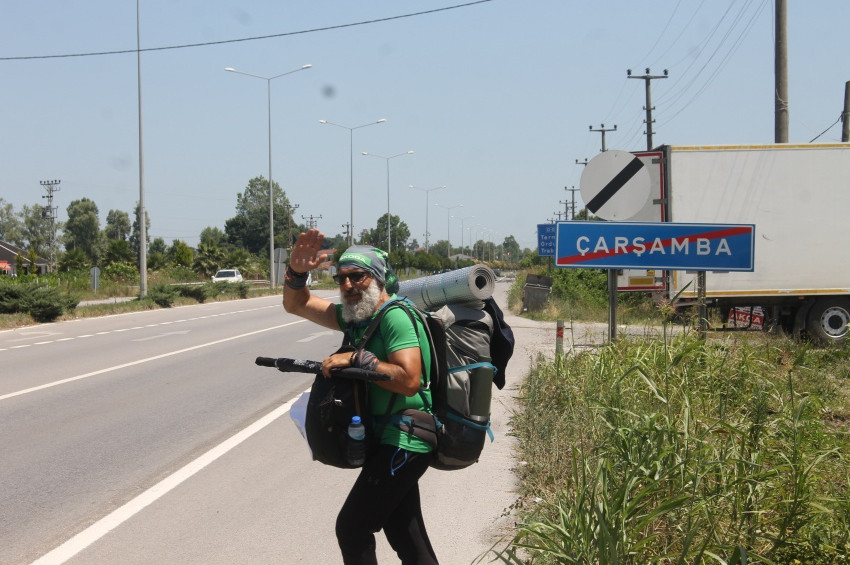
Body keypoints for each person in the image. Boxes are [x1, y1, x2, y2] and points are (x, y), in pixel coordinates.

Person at [283, 228, 439, 565]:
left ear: (380, 280)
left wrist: (357, 359)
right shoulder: (358, 319)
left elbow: (410, 379)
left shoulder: (395, 316)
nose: (349, 286)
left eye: (359, 277)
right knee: (408, 538)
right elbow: (298, 303)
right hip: (387, 439)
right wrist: (297, 273)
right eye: (342, 279)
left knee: (352, 528)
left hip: (405, 438)